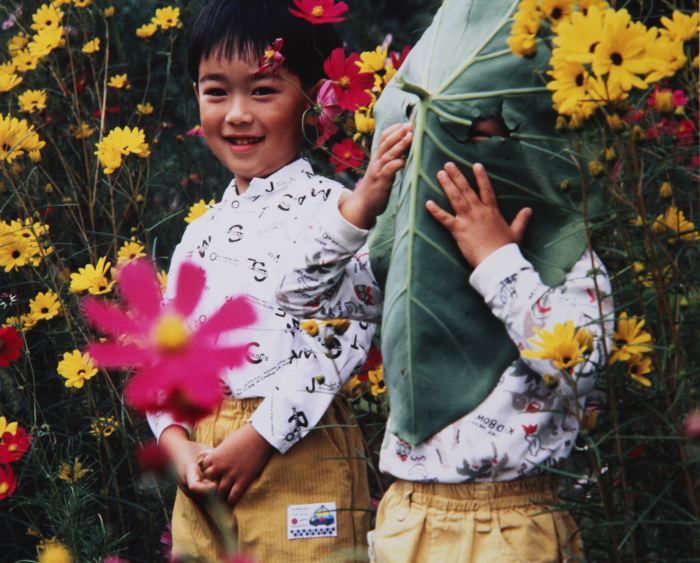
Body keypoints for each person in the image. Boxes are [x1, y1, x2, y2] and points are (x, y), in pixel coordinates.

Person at [276, 120, 614, 562]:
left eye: (483, 134)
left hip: (513, 523)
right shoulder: (413, 256)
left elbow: (577, 367)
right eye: (437, 135)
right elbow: (297, 293)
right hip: (411, 518)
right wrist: (361, 204)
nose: (455, 155)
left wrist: (497, 260)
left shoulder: (565, 254)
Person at [146, 1, 391, 560]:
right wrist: (178, 446)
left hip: (294, 454)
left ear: (313, 99)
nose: (236, 114)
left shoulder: (340, 213)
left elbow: (341, 338)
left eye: (262, 91)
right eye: (216, 91)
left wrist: (259, 439)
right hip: (203, 467)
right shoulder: (200, 233)